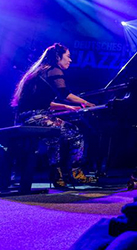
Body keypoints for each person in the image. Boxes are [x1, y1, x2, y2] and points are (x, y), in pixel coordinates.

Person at [11, 43, 96, 187]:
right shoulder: (54, 70)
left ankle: (57, 176)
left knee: (55, 138)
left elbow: (39, 101)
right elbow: (64, 93)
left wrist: (65, 106)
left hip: (26, 117)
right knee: (75, 133)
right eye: (68, 57)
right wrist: (87, 103)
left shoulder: (40, 71)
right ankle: (75, 173)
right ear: (58, 57)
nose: (70, 60)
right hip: (36, 117)